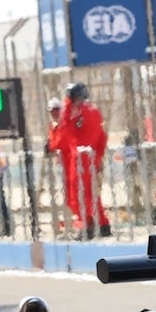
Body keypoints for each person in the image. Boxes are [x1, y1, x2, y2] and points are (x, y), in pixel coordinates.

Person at [47, 82, 111, 238]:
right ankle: (100, 224)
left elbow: (65, 135)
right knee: (90, 193)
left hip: (77, 158)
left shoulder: (74, 113)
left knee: (78, 194)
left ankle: (87, 225)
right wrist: (98, 156)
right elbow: (102, 136)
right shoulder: (94, 112)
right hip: (90, 156)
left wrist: (52, 144)